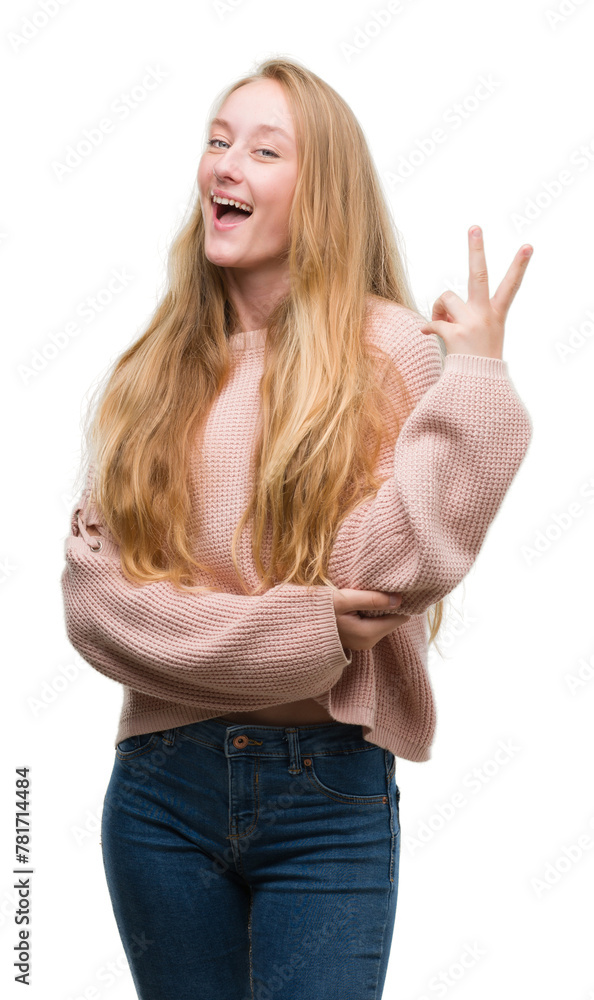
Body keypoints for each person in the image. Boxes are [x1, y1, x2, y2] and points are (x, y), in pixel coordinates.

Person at [60, 56, 533, 1000]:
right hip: (160, 795)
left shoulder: (387, 347)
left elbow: (388, 569)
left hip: (326, 795)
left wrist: (474, 379)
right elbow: (96, 610)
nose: (224, 166)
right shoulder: (150, 371)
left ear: (321, 195)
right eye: (217, 140)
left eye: (263, 150)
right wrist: (300, 632)